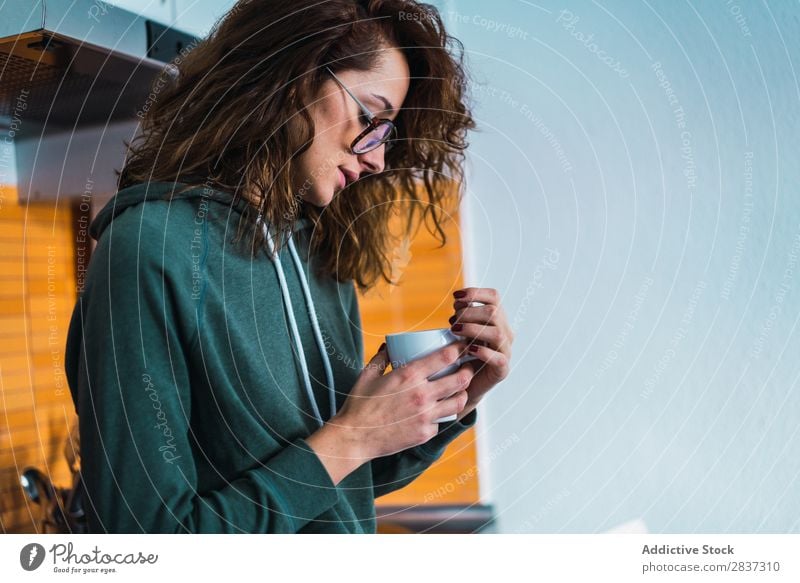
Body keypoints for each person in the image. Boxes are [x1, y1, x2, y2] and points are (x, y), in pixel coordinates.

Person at [64, 0, 513, 533]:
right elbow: (146, 543)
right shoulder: (146, 252)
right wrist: (351, 438)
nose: (378, 159)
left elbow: (341, 486)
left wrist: (453, 398)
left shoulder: (317, 253)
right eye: (371, 118)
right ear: (294, 79)